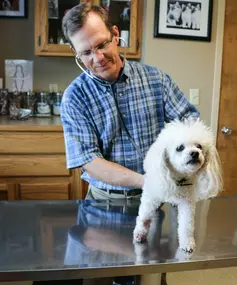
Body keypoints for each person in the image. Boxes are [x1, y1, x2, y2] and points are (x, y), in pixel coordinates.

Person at [60, 2, 200, 284]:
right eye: (85, 53)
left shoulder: (156, 80)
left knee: (148, 275)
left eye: (101, 45)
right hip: (101, 207)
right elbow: (90, 161)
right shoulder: (74, 97)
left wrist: (179, 169)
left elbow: (190, 122)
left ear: (114, 34)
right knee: (100, 277)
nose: (97, 58)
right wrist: (148, 180)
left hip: (154, 203)